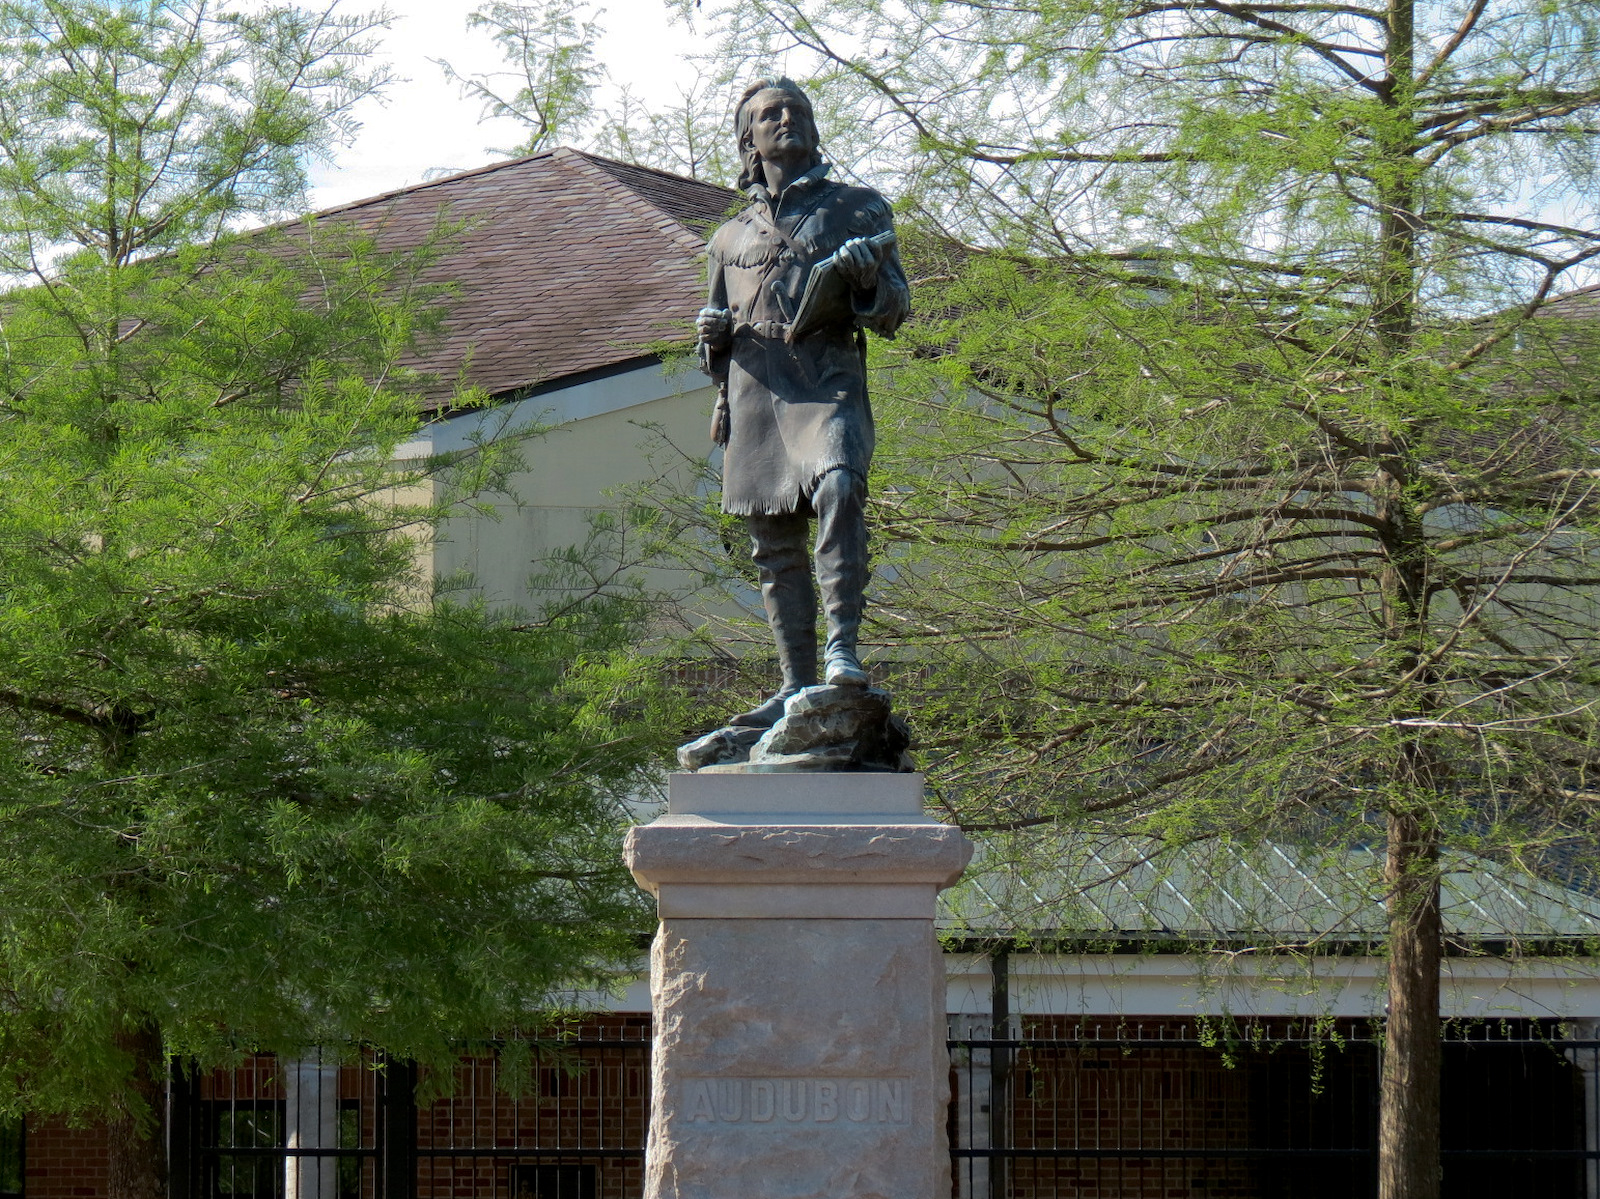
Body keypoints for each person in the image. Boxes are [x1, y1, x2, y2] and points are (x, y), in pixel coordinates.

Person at [696, 76, 911, 729]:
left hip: (827, 375)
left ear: (815, 130)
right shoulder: (728, 237)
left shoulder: (859, 209)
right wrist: (709, 338)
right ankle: (794, 683)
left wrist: (868, 277)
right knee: (773, 540)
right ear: (749, 140)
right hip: (756, 388)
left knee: (840, 485)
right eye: (769, 114)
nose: (785, 120)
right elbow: (715, 331)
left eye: (797, 111)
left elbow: (895, 310)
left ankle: (843, 650)